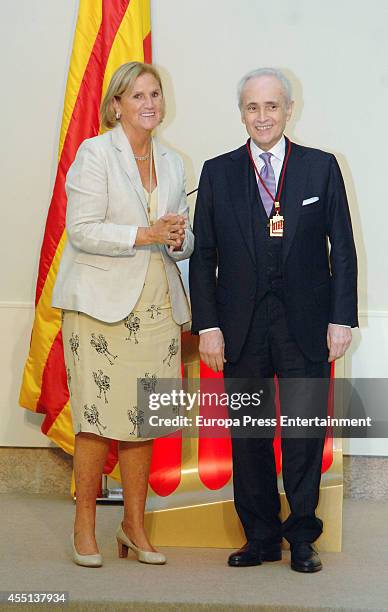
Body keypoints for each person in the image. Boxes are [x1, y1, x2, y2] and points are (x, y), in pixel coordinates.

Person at [189, 68, 357, 573]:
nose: (262, 117)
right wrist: (209, 326)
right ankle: (260, 537)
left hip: (307, 326)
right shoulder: (217, 172)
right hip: (239, 328)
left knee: (305, 432)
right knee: (250, 434)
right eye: (252, 108)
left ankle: (303, 537)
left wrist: (341, 319)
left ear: (289, 109)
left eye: (272, 107)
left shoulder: (321, 168)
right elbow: (204, 258)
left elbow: (342, 251)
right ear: (242, 113)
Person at [52, 61, 193, 567]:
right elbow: (82, 229)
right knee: (96, 418)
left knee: (146, 418)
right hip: (100, 307)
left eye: (155, 93)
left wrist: (179, 238)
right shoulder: (95, 154)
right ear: (116, 105)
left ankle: (134, 526)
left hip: (158, 305)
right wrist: (145, 234)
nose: (150, 103)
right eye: (138, 95)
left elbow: (182, 236)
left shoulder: (174, 162)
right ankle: (84, 527)